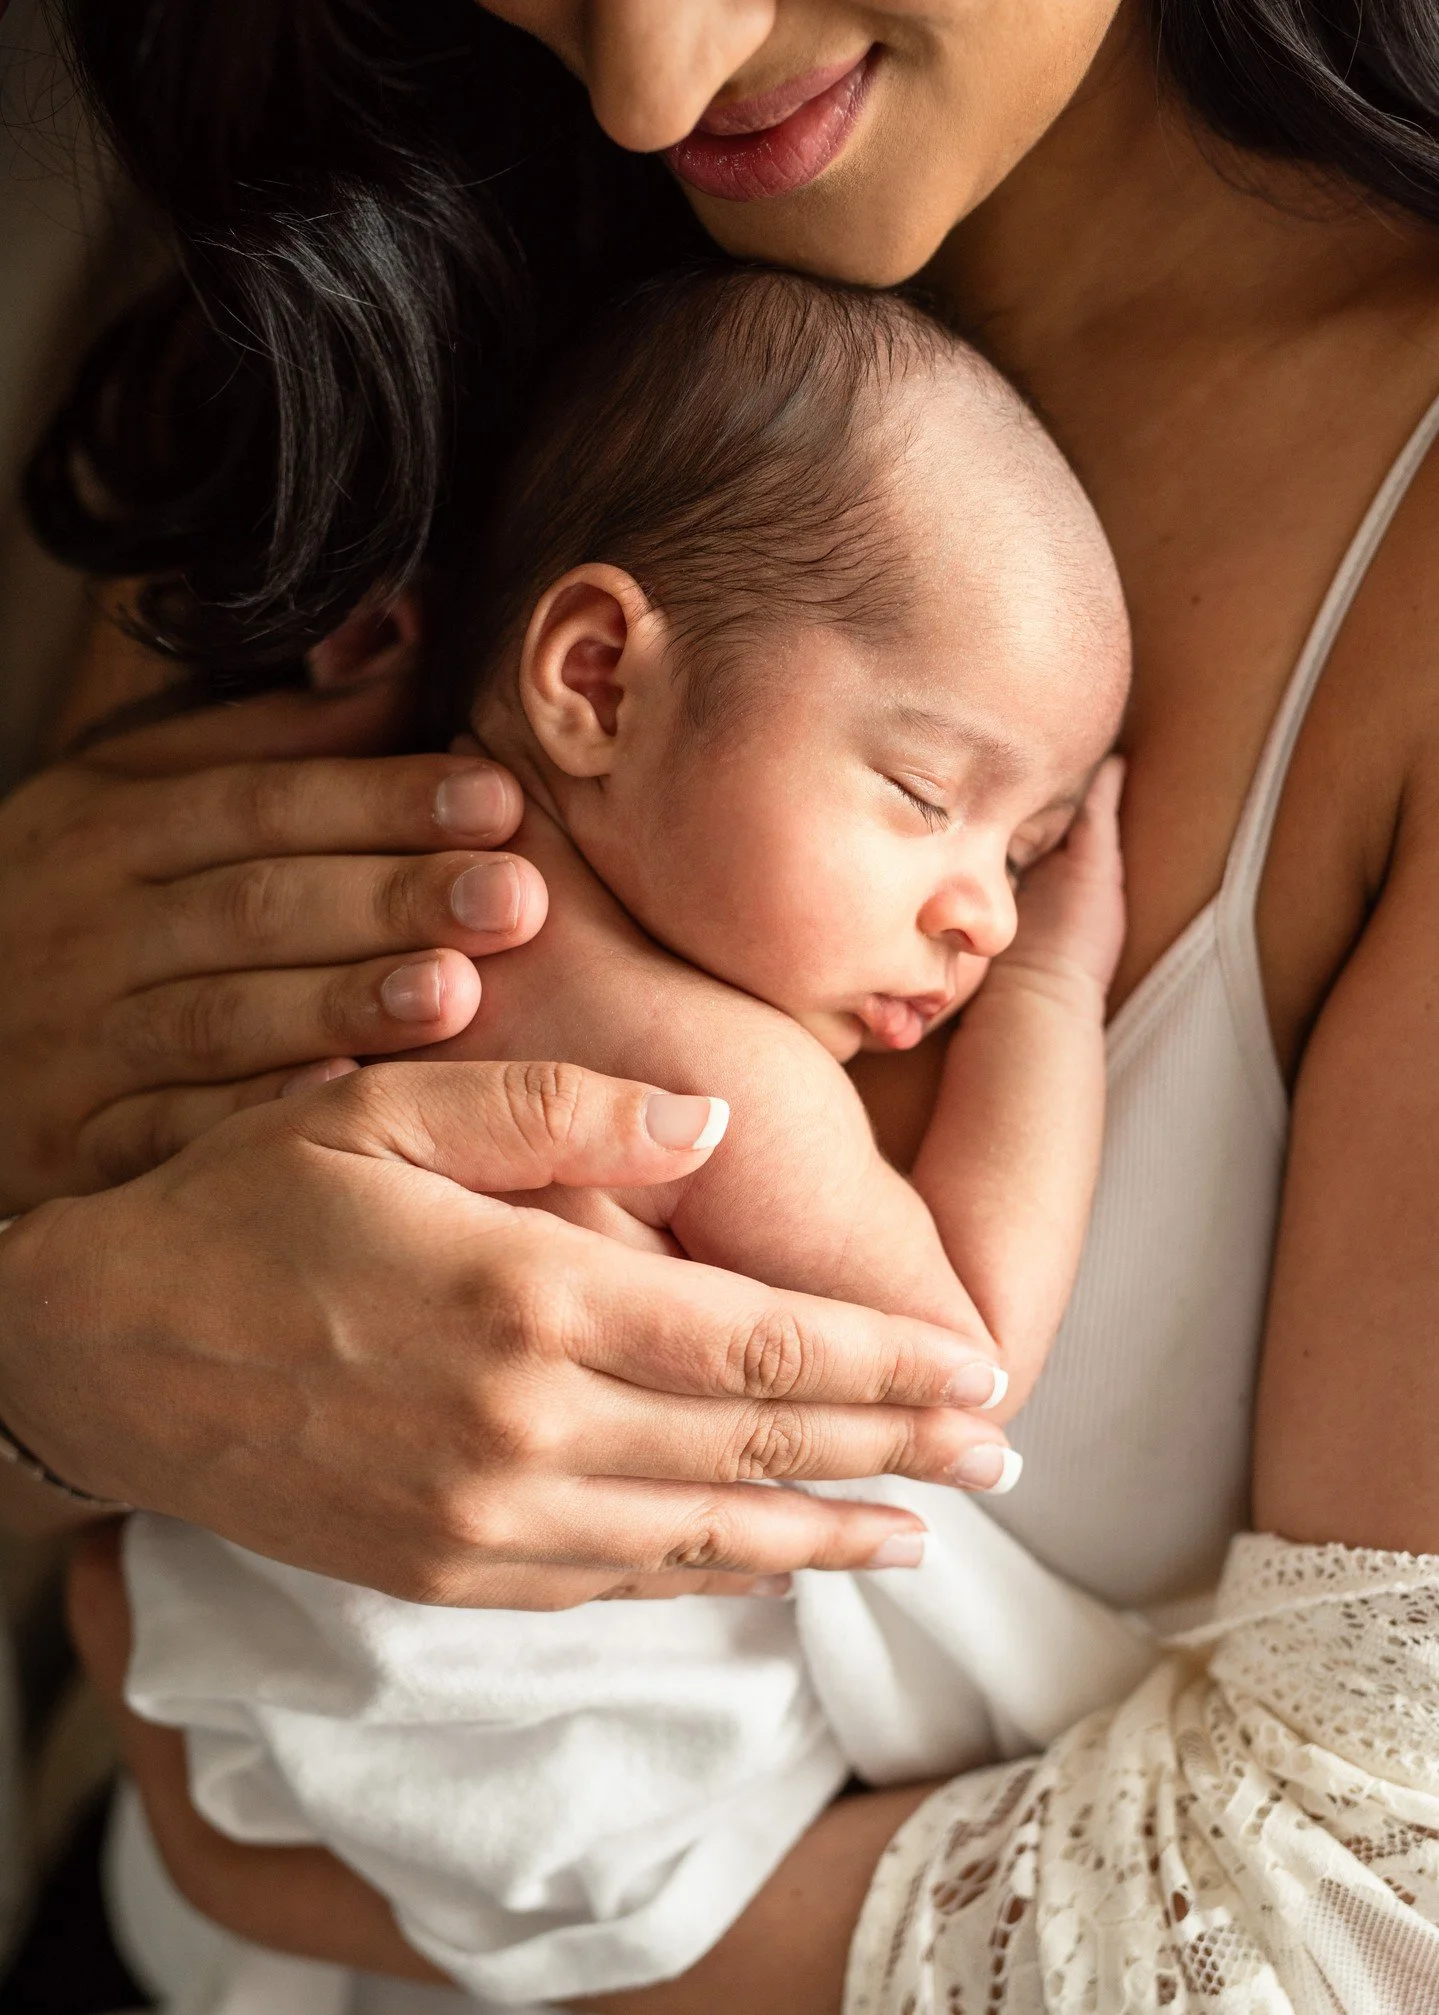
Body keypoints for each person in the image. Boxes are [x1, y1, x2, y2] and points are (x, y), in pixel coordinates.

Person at [34, 0, 1439, 2008]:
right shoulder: (374, 271)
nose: (646, 82)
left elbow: (1365, 1922)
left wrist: (322, 1878)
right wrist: (61, 1366)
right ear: (592, 671)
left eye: (1021, 842)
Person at [115, 266, 1151, 2010]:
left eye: (1032, 854)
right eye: (921, 799)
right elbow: (957, 1352)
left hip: (244, 1669)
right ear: (595, 675)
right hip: (570, 1788)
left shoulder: (355, 878)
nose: (977, 912)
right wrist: (1061, 990)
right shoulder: (674, 1049)